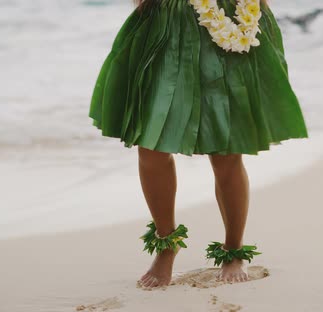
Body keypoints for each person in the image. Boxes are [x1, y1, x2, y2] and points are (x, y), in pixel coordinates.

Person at [89, 0, 308, 289]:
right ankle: (167, 244)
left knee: (227, 148)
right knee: (151, 145)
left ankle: (233, 250)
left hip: (232, 21)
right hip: (167, 25)